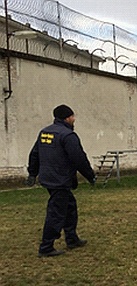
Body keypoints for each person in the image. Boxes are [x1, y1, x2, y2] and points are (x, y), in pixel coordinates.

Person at [27, 104, 96, 257]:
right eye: (73, 116)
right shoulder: (67, 135)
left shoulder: (45, 132)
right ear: (67, 118)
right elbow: (79, 158)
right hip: (60, 179)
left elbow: (34, 153)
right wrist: (90, 175)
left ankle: (72, 239)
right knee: (56, 213)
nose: (74, 119)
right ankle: (46, 247)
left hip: (49, 178)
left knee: (70, 206)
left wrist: (32, 173)